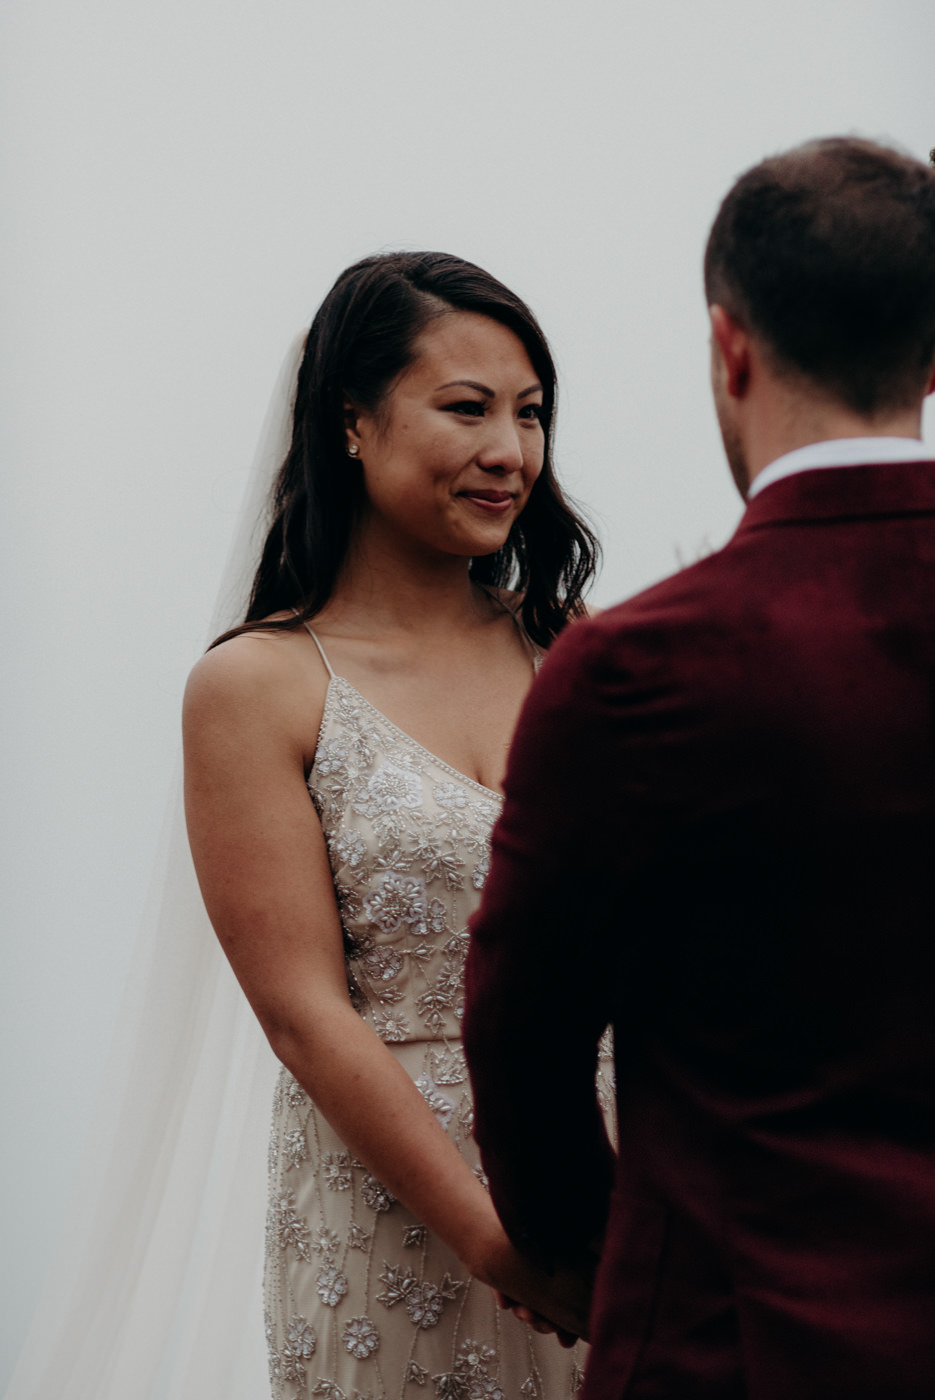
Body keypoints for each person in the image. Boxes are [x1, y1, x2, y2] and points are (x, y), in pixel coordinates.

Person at [463, 136, 935, 1400]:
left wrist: (592, 1256)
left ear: (727, 346)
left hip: (730, 1342)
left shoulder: (634, 668)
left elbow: (523, 1041)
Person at [183, 251, 614, 1400]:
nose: (509, 450)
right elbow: (303, 1012)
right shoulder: (259, 684)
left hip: (614, 1177)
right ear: (353, 425)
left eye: (529, 413)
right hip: (394, 1210)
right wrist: (490, 1239)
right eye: (465, 407)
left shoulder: (578, 649)